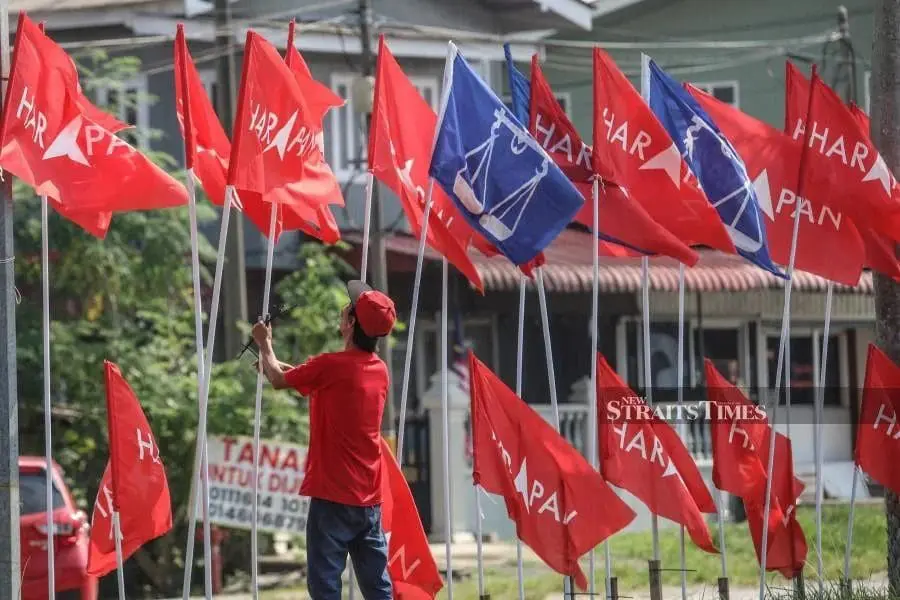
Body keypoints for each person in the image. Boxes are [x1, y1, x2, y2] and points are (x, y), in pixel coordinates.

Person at [252, 280, 397, 600]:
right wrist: (281, 369)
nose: (344, 308)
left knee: (325, 586)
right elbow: (323, 387)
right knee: (377, 586)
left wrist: (264, 343)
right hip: (368, 498)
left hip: (333, 496)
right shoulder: (379, 370)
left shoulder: (330, 365)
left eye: (348, 307)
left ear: (351, 323)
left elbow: (278, 379)